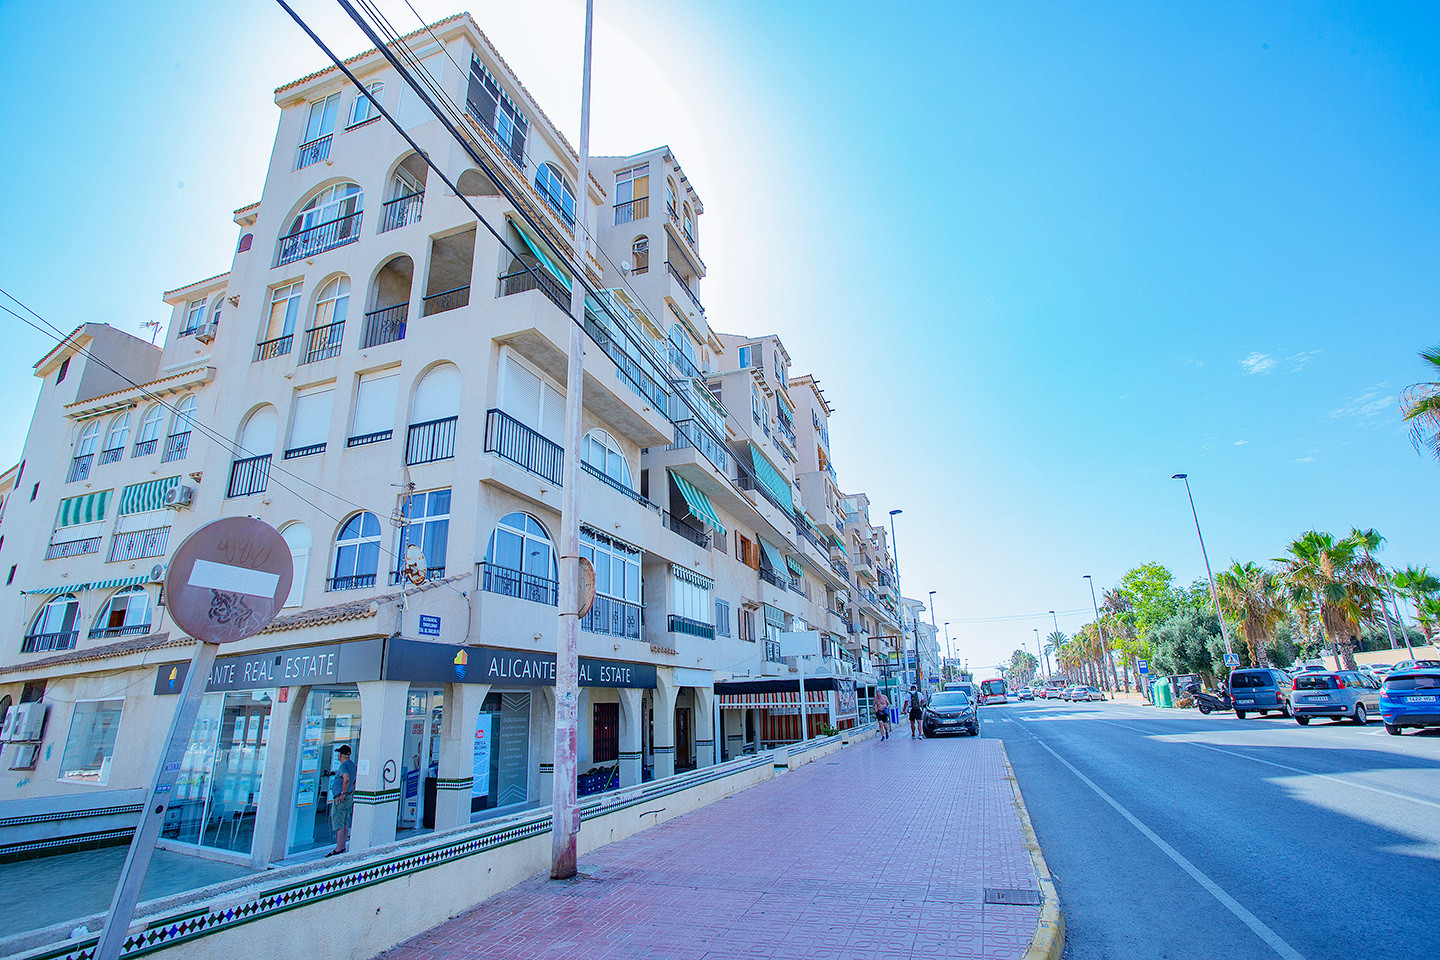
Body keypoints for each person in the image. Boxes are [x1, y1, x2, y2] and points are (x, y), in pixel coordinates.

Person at [327, 744, 356, 856]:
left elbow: (347, 778)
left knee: (339, 822)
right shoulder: (352, 765)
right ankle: (343, 846)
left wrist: (343, 793)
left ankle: (339, 848)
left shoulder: (343, 766)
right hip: (349, 796)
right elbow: (354, 779)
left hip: (341, 798)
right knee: (344, 822)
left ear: (340, 755)